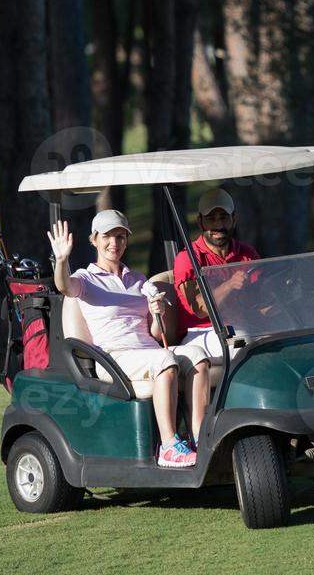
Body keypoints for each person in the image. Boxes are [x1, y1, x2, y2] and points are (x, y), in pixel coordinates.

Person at [48, 209, 196, 469]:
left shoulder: (137, 279)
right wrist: (61, 260)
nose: (114, 243)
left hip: (146, 352)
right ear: (94, 239)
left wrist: (155, 313)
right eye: (107, 236)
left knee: (198, 355)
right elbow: (63, 286)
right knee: (165, 360)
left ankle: (197, 437)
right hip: (113, 358)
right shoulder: (85, 278)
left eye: (120, 236)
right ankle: (170, 446)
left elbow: (153, 334)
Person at [172, 188, 259, 437]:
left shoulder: (246, 254)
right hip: (200, 333)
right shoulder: (188, 258)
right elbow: (198, 308)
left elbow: (260, 302)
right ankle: (227, 426)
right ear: (200, 221)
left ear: (234, 219)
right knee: (244, 342)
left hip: (238, 328)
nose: (218, 225)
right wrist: (230, 285)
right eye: (211, 219)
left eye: (223, 217)